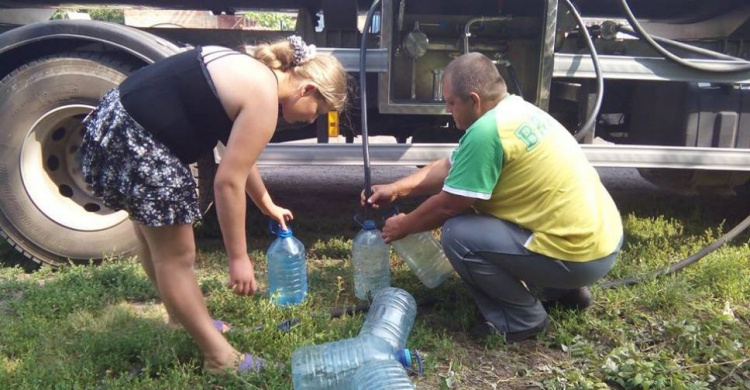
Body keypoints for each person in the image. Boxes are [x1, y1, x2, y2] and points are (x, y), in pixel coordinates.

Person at [80, 36, 348, 373]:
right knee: (177, 257)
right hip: (141, 143)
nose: (312, 121)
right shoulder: (264, 98)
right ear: (307, 89)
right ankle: (219, 357)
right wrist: (239, 258)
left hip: (114, 126)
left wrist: (265, 202)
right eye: (319, 112)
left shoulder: (251, 73)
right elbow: (227, 182)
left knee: (154, 240)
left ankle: (181, 318)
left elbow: (240, 157)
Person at [362, 52, 622, 343]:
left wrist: (405, 225)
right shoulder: (515, 111)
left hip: (578, 257)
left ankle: (520, 319)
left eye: (450, 102)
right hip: (602, 244)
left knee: (459, 234)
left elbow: (449, 205)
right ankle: (566, 292)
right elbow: (451, 165)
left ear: (473, 100)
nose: (447, 109)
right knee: (496, 217)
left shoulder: (487, 132)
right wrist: (396, 189)